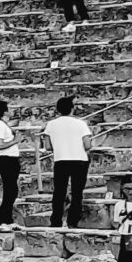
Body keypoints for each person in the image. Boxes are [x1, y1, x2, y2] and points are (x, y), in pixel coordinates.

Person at [44, 95, 93, 229]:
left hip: (61, 160)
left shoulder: (51, 125)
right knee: (77, 193)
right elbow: (87, 145)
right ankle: (73, 221)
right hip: (79, 160)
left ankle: (56, 220)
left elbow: (48, 146)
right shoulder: (80, 124)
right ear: (72, 108)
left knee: (59, 192)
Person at [0, 99, 21, 226]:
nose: (12, 111)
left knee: (12, 191)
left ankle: (8, 220)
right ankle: (2, 221)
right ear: (5, 112)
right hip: (6, 160)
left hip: (11, 160)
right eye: (10, 109)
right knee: (10, 191)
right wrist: (15, 140)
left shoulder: (3, 124)